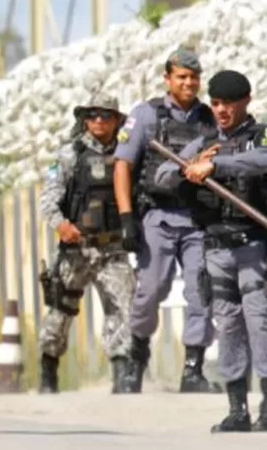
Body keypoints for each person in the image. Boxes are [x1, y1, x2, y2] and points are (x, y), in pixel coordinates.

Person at [155, 70, 267, 432]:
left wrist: (217, 165)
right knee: (229, 326)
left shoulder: (259, 135)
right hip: (216, 248)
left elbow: (262, 160)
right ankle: (237, 410)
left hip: (254, 246)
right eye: (216, 103)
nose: (221, 110)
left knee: (260, 324)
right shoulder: (204, 140)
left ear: (246, 101)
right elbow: (162, 176)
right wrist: (189, 169)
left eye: (228, 103)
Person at [112, 48, 219, 393]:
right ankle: (137, 353)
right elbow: (123, 166)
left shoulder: (209, 118)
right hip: (156, 217)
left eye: (193, 77)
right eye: (181, 77)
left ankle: (193, 368)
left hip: (197, 219)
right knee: (151, 289)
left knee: (201, 290)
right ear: (167, 79)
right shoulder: (146, 115)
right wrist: (127, 217)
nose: (188, 83)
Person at [37, 93, 134, 394]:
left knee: (123, 310)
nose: (99, 121)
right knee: (60, 310)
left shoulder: (126, 153)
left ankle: (122, 376)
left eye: (106, 115)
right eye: (92, 115)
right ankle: (48, 369)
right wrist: (61, 225)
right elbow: (48, 200)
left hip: (112, 249)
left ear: (117, 120)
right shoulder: (69, 155)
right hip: (76, 250)